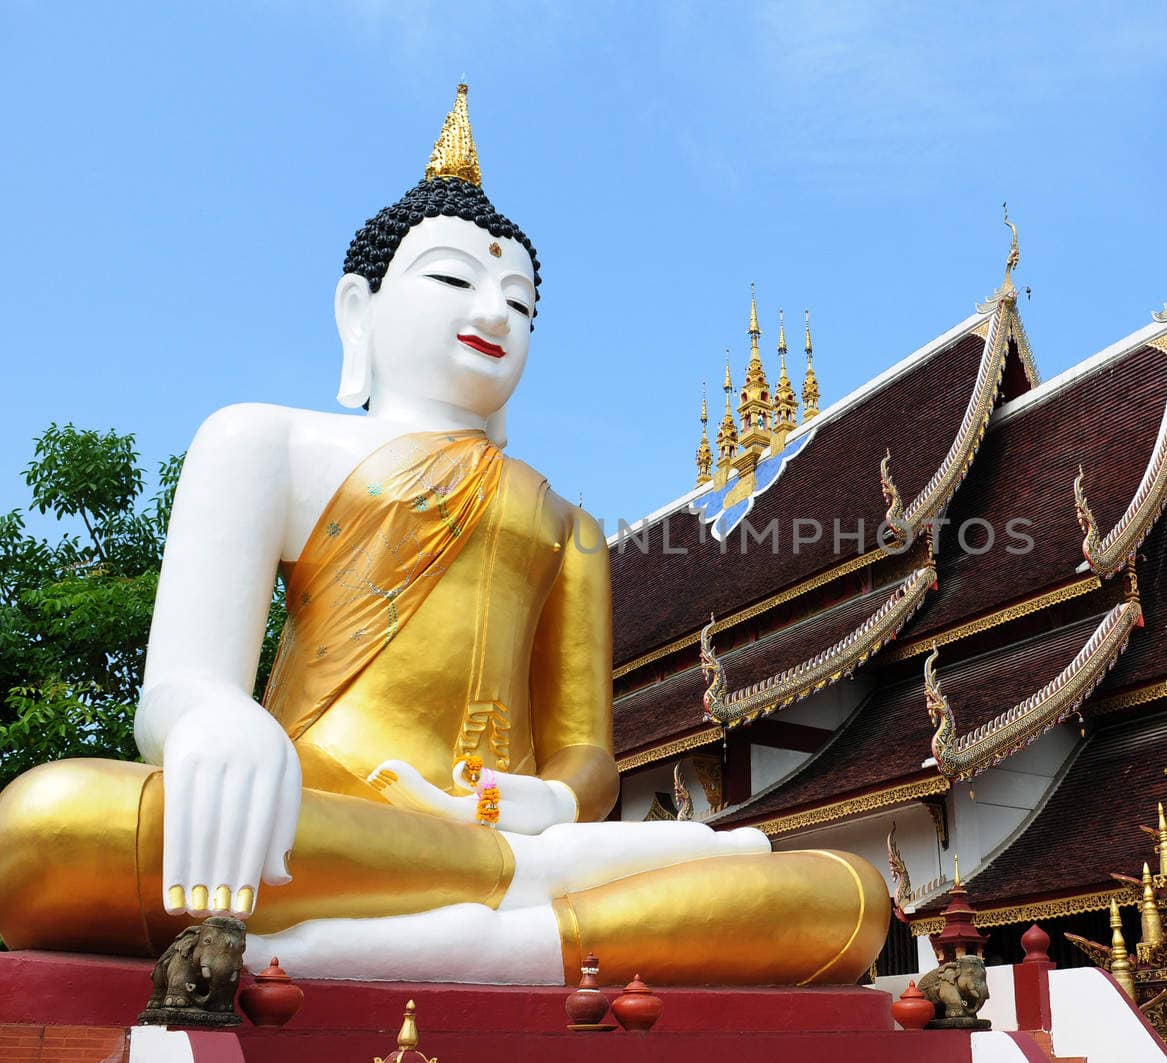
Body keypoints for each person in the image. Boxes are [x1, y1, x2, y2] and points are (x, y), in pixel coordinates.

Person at [0, 84, 887, 986]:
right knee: (49, 826)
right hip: (317, 816)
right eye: (456, 279)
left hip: (481, 832)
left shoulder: (565, 524)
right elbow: (180, 686)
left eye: (521, 301)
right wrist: (213, 717)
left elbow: (586, 758)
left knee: (846, 898)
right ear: (361, 309)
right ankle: (533, 900)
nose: (497, 313)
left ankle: (471, 941)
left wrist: (534, 802)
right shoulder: (265, 442)